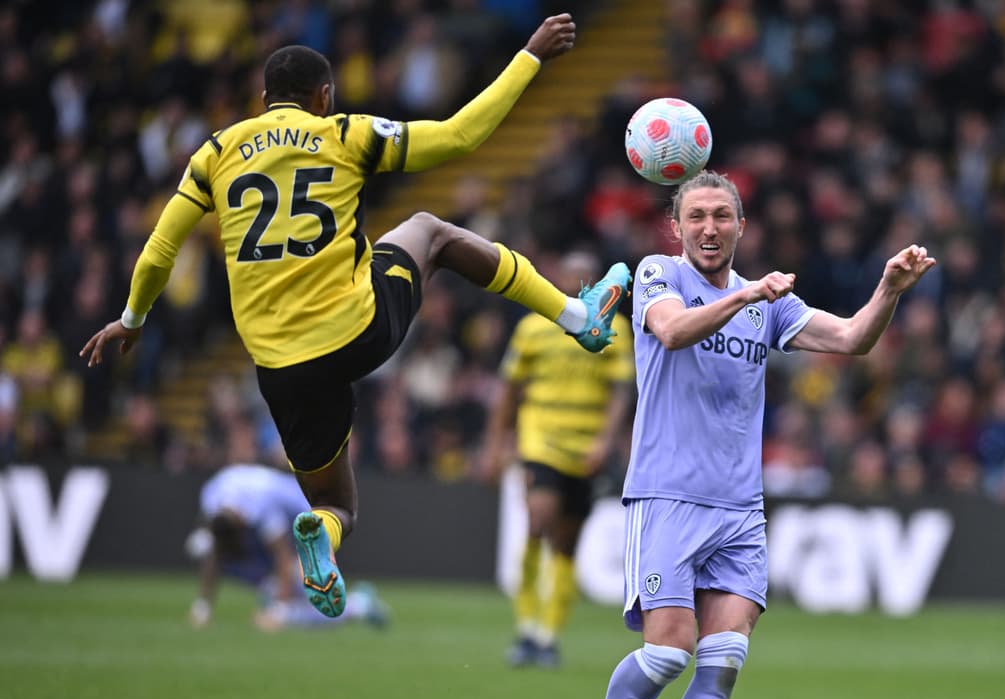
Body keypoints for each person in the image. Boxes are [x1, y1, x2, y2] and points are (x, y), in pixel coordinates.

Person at [80, 14, 632, 620]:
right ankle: (580, 316)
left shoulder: (214, 153)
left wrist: (131, 319)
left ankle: (322, 529)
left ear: (264, 102)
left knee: (336, 503)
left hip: (278, 366)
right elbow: (458, 137)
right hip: (354, 331)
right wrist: (529, 55)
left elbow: (160, 250)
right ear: (324, 97)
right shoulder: (343, 133)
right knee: (431, 232)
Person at [562, 171, 936, 699]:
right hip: (666, 497)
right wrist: (743, 298)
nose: (710, 227)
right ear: (677, 227)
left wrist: (889, 290)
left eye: (722, 216)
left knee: (725, 659)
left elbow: (852, 339)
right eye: (697, 216)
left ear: (741, 225)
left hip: (739, 511)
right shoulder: (658, 274)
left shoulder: (768, 301)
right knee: (667, 655)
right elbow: (672, 332)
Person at [480, 250, 635, 669]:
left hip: (586, 449)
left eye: (587, 277)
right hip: (541, 442)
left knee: (567, 543)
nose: (579, 283)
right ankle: (527, 628)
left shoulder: (614, 328)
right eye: (572, 275)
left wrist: (606, 440)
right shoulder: (534, 326)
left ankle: (548, 636)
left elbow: (623, 391)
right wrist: (495, 445)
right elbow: (509, 390)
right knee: (537, 522)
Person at [187, 463, 388, 631]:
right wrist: (203, 606)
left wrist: (279, 610)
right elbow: (215, 550)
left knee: (313, 599)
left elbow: (282, 554)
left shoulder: (259, 507)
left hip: (309, 522)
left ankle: (359, 605)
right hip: (280, 522)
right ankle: (272, 590)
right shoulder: (211, 497)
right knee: (200, 547)